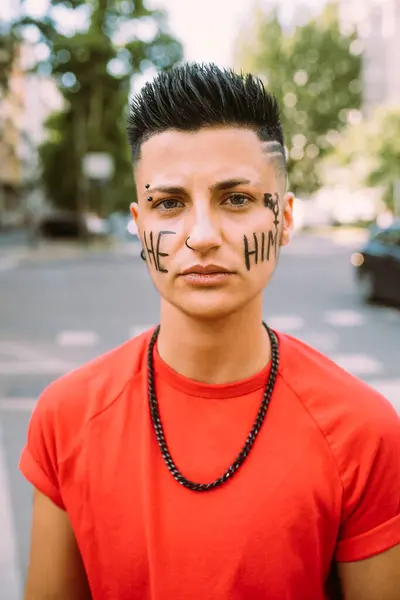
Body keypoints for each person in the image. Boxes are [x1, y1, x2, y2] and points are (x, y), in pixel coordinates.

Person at [20, 63, 400, 600]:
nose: (200, 236)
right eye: (169, 203)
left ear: (284, 219)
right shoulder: (66, 419)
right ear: (140, 222)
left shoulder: (365, 432)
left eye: (237, 199)